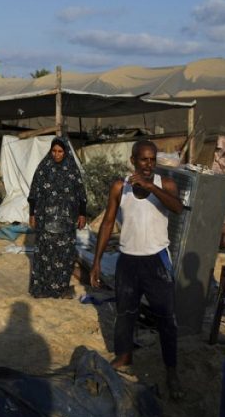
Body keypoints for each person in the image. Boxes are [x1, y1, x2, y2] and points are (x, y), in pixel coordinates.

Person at [90, 140, 185, 399]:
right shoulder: (120, 187)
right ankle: (124, 355)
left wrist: (152, 186)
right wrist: (97, 261)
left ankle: (171, 369)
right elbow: (108, 222)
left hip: (157, 261)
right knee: (125, 312)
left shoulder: (165, 184)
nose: (148, 164)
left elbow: (178, 208)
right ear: (133, 160)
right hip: (128, 261)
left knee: (166, 319)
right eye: (143, 159)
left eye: (152, 160)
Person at [28, 137, 87, 298]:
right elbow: (33, 192)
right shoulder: (44, 167)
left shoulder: (72, 169)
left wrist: (82, 214)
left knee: (65, 254)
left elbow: (81, 193)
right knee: (44, 253)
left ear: (65, 151)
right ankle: (41, 289)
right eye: (54, 151)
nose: (56, 154)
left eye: (60, 151)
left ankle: (60, 289)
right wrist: (32, 214)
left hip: (67, 221)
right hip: (45, 218)